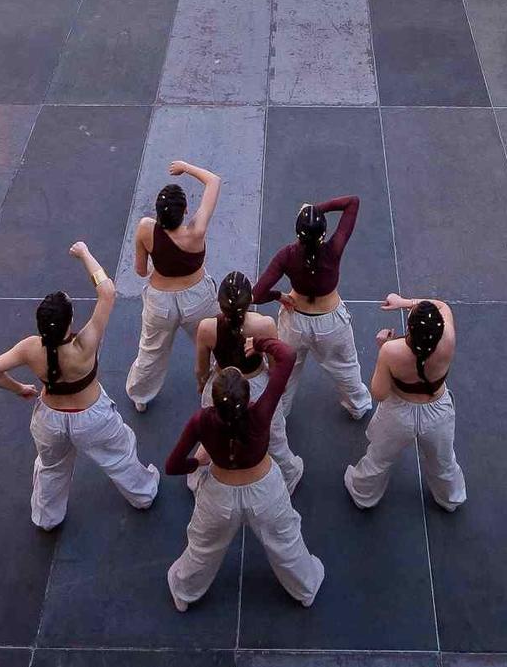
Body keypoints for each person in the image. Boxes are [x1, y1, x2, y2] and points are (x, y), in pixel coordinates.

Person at [0, 241, 158, 533]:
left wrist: (19, 388)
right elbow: (107, 291)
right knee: (119, 454)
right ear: (69, 322)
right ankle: (144, 494)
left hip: (49, 419)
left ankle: (46, 518)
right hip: (92, 418)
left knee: (51, 468)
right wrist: (86, 254)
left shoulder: (29, 348)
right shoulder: (85, 344)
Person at [164, 336, 322, 610]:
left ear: (213, 399)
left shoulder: (201, 421)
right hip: (265, 491)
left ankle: (185, 592)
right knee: (286, 542)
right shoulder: (261, 413)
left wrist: (198, 463)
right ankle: (305, 588)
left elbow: (172, 466)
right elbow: (287, 356)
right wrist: (258, 343)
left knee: (202, 549)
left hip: (218, 496)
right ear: (249, 395)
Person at [344, 292, 466, 513]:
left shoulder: (392, 351)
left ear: (410, 330)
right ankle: (451, 498)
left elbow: (379, 393)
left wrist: (383, 346)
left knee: (379, 459)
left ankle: (363, 495)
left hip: (398, 414)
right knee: (443, 461)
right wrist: (405, 303)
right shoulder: (448, 337)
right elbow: (442, 305)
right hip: (438, 413)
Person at [252, 198, 371, 422]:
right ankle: (358, 406)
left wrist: (278, 296)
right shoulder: (334, 249)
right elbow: (352, 203)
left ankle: (280, 413)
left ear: (298, 233)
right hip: (331, 324)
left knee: (286, 371)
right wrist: (315, 209)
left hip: (295, 321)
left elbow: (256, 294)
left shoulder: (286, 256)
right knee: (345, 367)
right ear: (324, 233)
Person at [192, 271, 302, 493]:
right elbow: (273, 363)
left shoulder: (206, 327)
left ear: (219, 302)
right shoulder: (265, 325)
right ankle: (288, 474)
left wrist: (203, 384)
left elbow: (200, 368)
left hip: (221, 385)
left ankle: (200, 478)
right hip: (257, 385)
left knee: (217, 431)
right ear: (250, 299)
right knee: (273, 434)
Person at [125, 160, 222, 411]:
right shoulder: (196, 231)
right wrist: (186, 167)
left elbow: (140, 270)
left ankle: (141, 396)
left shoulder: (146, 229)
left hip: (160, 301)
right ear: (185, 210)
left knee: (151, 350)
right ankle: (217, 389)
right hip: (198, 298)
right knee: (214, 342)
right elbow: (214, 181)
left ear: (158, 213)